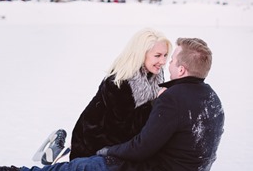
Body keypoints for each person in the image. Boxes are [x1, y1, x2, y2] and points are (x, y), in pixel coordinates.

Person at [0, 38, 224, 171]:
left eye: (171, 60)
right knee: (92, 161)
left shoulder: (172, 99)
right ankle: (69, 152)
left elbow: (141, 148)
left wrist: (107, 153)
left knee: (86, 168)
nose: (166, 63)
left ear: (180, 69)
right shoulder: (211, 97)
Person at [42, 28, 172, 163]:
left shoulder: (156, 74)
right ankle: (57, 149)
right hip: (94, 141)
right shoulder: (118, 82)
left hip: (122, 142)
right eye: (157, 55)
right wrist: (156, 103)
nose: (163, 61)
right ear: (141, 54)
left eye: (165, 55)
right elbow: (125, 128)